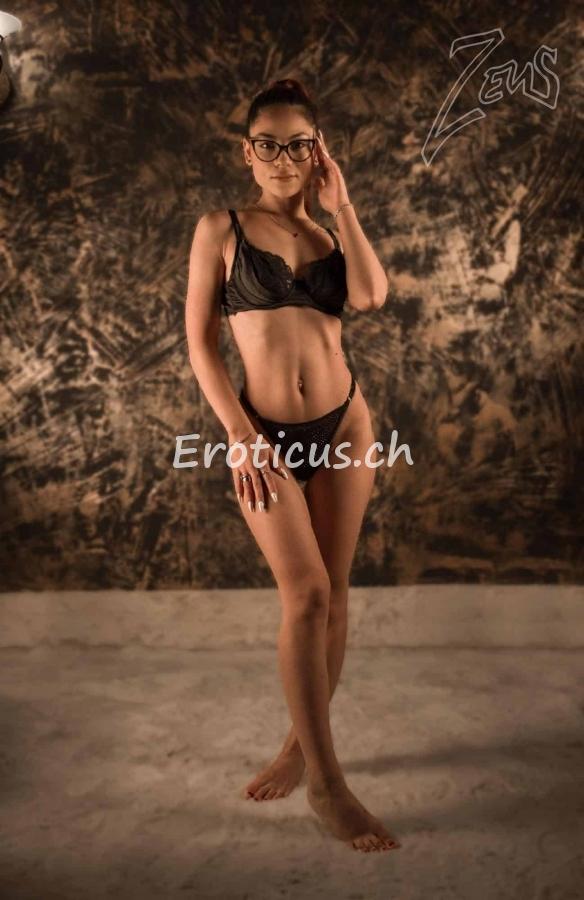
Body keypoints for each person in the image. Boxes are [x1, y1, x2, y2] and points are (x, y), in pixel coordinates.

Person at [185, 77, 399, 853]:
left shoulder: (331, 235)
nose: (283, 159)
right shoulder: (222, 228)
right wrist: (240, 434)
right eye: (268, 146)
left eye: (298, 145)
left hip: (346, 424)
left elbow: (371, 297)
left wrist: (343, 207)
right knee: (304, 595)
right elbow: (200, 343)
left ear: (318, 152)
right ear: (247, 153)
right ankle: (328, 787)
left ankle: (299, 749)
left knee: (333, 596)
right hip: (265, 434)